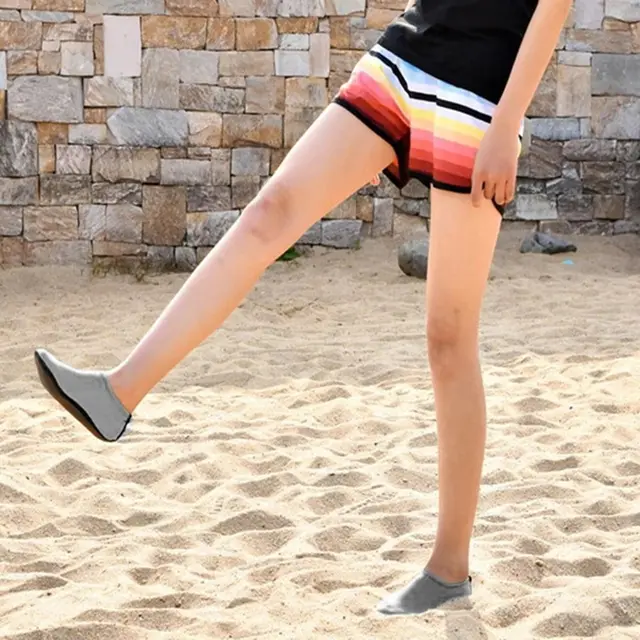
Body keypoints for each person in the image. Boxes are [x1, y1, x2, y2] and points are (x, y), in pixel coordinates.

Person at [34, 0, 572, 616]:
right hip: (408, 54)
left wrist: (508, 123)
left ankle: (449, 569)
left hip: (482, 96)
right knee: (272, 210)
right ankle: (118, 392)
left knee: (448, 337)